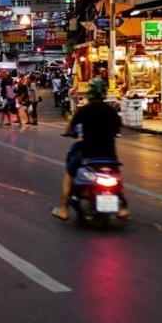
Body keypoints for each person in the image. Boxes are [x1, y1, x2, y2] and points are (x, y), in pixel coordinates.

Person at [51, 80, 123, 221]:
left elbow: (70, 127)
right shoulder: (111, 111)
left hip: (88, 154)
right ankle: (124, 207)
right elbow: (117, 129)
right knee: (117, 175)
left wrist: (69, 133)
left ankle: (64, 208)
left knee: (69, 172)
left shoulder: (84, 110)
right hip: (110, 155)